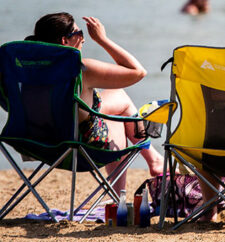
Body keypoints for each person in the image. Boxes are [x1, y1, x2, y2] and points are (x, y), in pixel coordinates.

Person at [26, 13, 164, 193]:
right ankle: (123, 193)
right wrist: (102, 39)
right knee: (118, 115)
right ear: (64, 41)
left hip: (41, 145)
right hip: (79, 149)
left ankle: (153, 160)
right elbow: (138, 72)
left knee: (116, 98)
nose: (83, 39)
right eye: (79, 32)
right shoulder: (80, 69)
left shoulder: (29, 69)